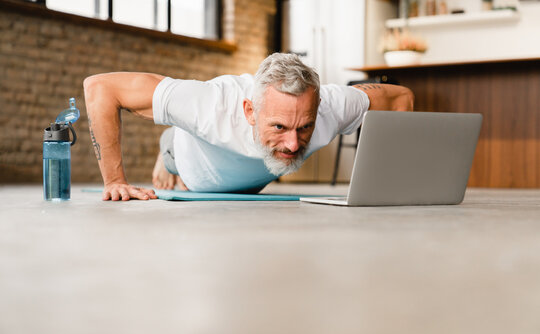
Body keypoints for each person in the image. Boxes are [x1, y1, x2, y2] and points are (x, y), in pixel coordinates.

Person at [83, 53, 414, 201]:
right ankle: (165, 151)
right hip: (190, 162)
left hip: (251, 177)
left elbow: (401, 98)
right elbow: (100, 87)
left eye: (304, 128)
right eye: (280, 127)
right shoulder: (209, 104)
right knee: (174, 147)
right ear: (250, 111)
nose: (294, 144)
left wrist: (395, 181)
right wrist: (115, 181)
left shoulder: (331, 104)